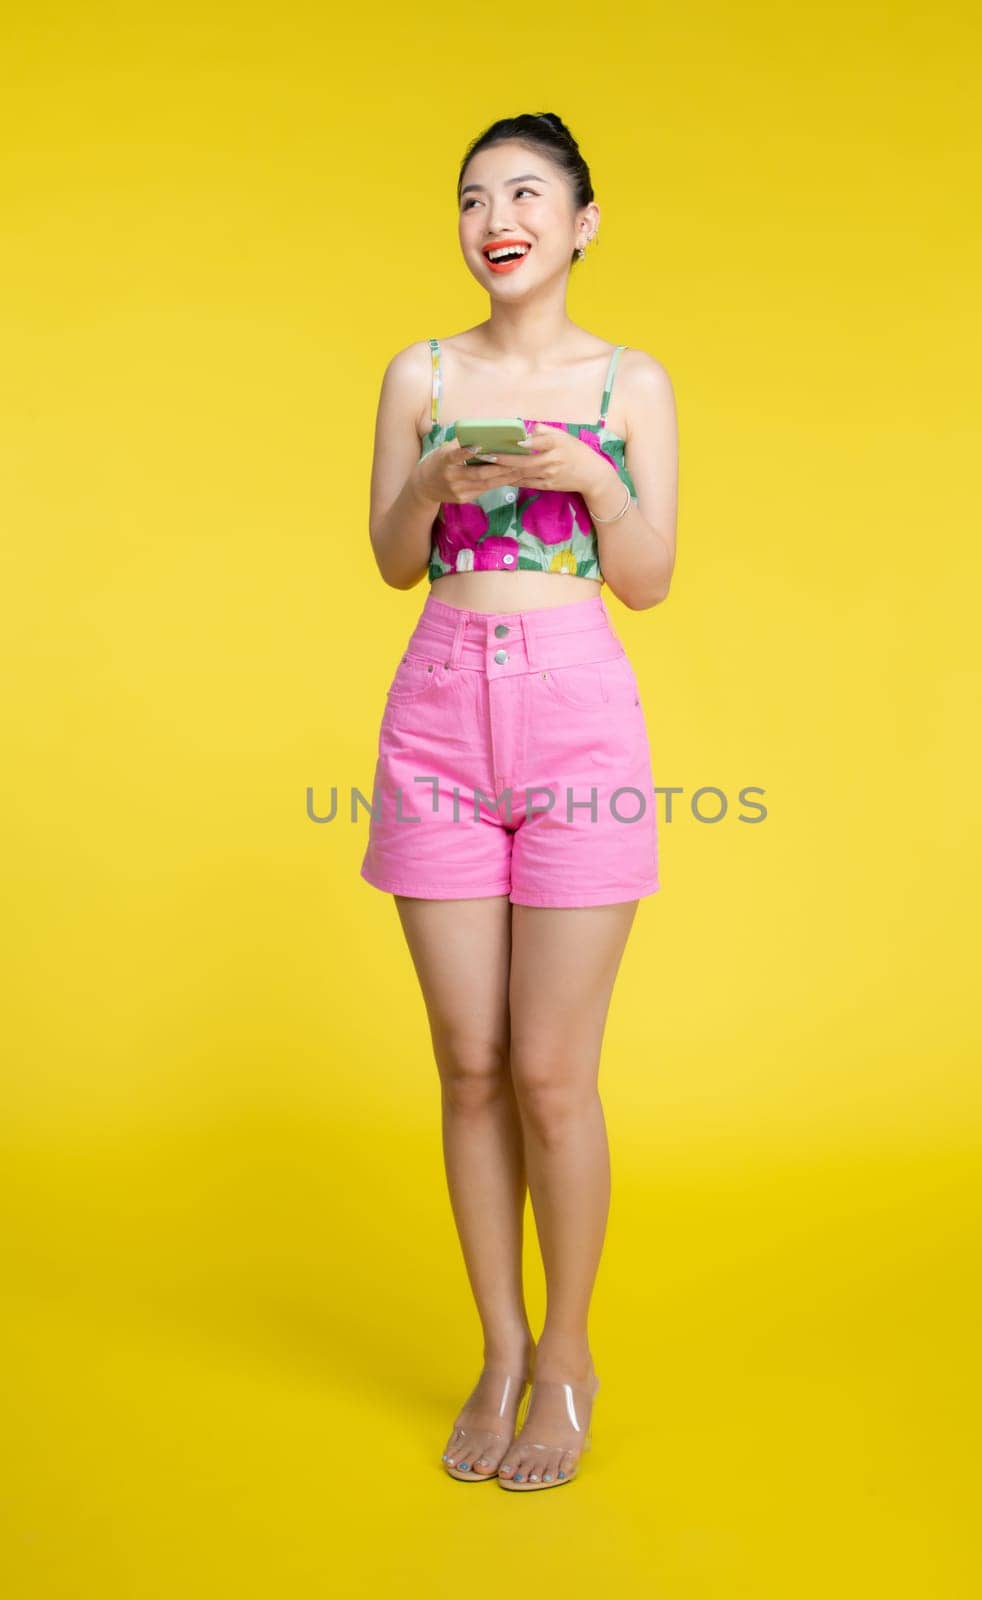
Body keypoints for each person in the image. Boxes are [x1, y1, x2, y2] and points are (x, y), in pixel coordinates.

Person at [360, 111, 678, 1490]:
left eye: (529, 192)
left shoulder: (630, 381)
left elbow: (651, 576)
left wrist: (596, 478)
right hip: (435, 703)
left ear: (581, 222)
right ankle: (495, 1350)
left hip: (574, 714)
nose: (499, 213)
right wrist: (429, 483)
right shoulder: (419, 372)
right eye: (476, 195)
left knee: (552, 1074)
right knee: (468, 1062)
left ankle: (565, 1360)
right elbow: (386, 559)